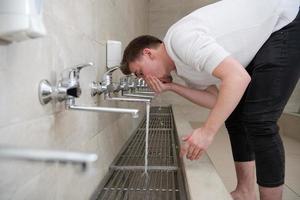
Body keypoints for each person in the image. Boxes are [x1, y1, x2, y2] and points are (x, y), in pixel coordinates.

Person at [120, 0, 300, 199]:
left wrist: (207, 131)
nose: (145, 80)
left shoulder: (182, 41)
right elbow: (216, 100)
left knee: (260, 120)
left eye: (140, 73)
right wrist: (171, 87)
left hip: (285, 19)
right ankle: (245, 191)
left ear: (148, 53)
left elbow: (238, 78)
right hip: (265, 36)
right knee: (235, 115)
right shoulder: (184, 69)